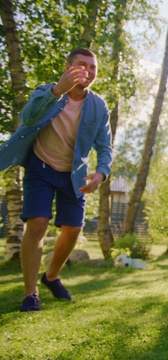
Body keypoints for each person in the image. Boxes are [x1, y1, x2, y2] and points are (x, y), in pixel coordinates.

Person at [0, 48, 112, 312]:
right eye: (82, 65)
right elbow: (27, 117)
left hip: (74, 173)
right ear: (68, 67)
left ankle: (50, 276)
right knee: (37, 223)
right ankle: (31, 294)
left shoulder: (98, 106)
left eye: (93, 67)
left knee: (73, 229)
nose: (88, 71)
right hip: (40, 166)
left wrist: (101, 172)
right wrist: (56, 91)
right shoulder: (47, 92)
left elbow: (105, 145)